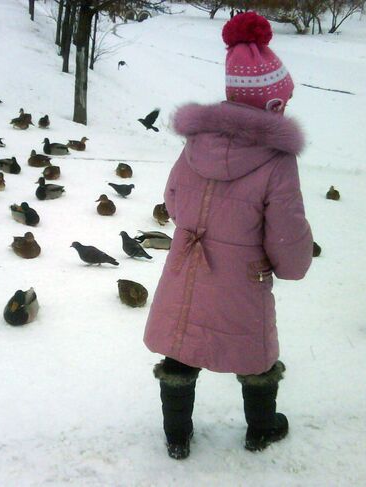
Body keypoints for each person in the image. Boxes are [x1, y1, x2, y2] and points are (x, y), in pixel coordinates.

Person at [143, 12, 313, 459]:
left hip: (189, 265)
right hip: (243, 277)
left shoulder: (196, 142)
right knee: (255, 352)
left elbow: (175, 200)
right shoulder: (277, 160)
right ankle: (261, 429)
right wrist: (292, 266)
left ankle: (176, 436)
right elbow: (287, 229)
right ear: (274, 103)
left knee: (182, 347)